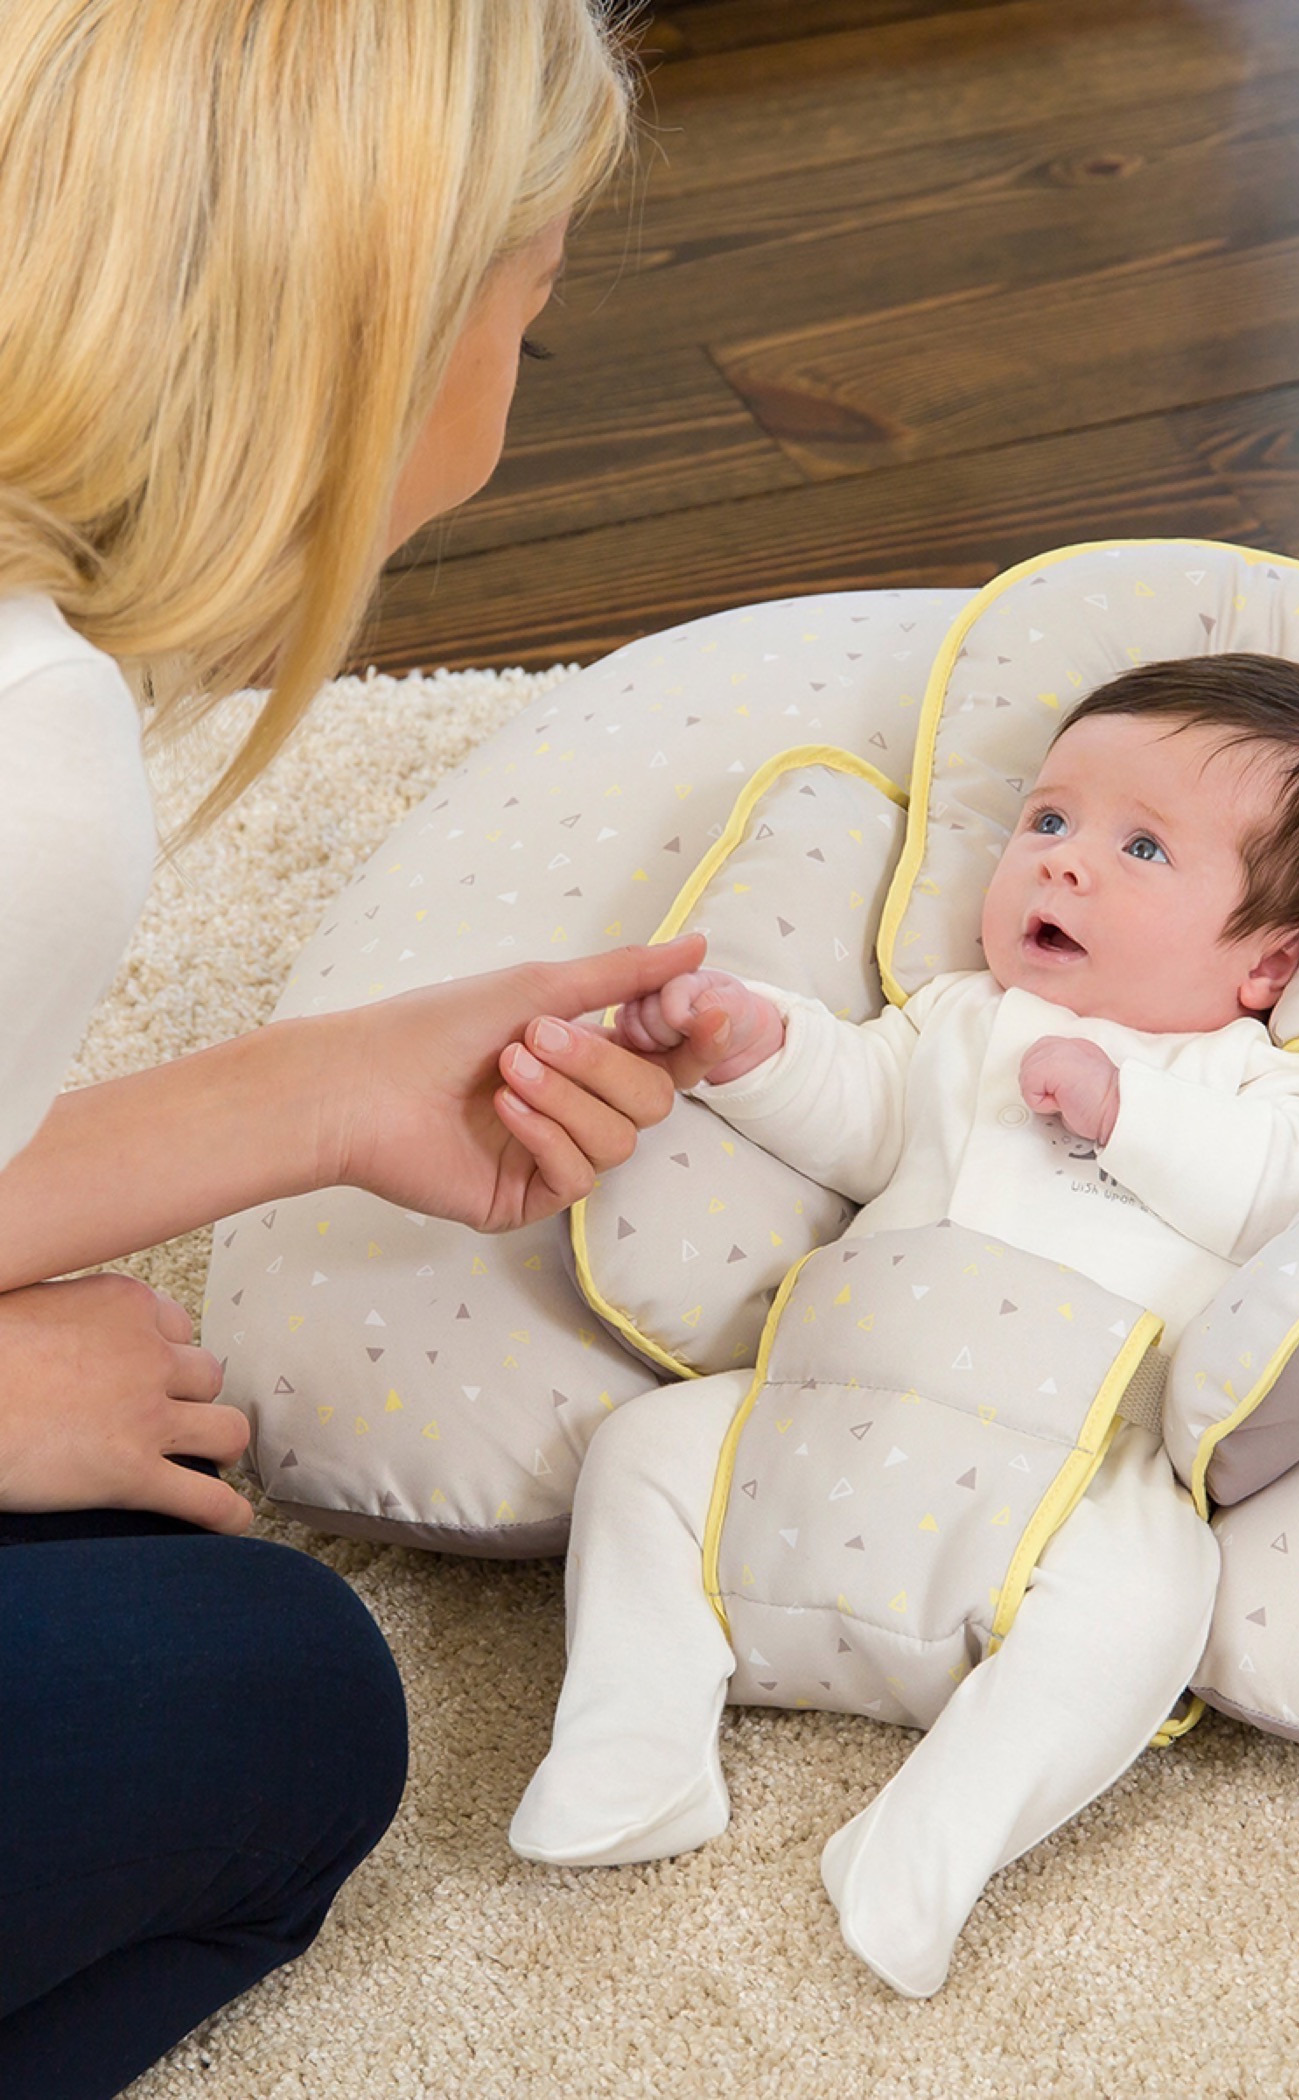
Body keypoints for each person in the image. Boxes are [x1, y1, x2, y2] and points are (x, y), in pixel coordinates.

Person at [0, 6, 708, 2093]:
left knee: (134, 1524)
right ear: (363, 341)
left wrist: (319, 1090)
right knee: (271, 1708)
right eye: (530, 331)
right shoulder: (27, 762)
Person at [510, 654, 1299, 1996]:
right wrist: (748, 1041)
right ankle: (633, 1745)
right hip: (827, 1410)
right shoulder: (962, 1022)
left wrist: (1131, 1112)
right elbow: (860, 1110)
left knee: (1157, 1593)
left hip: (1065, 1472)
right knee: (645, 1451)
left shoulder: (1280, 1089)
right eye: (1046, 822)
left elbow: (1291, 1201)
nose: (1060, 865)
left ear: (1270, 960)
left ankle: (929, 1847)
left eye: (1141, 847)